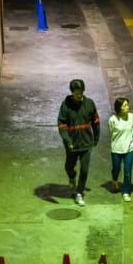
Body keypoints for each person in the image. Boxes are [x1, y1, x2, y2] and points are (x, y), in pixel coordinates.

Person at [57, 78, 100, 206]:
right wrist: (68, 140)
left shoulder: (89, 104)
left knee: (85, 170)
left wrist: (96, 138)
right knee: (69, 166)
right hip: (72, 144)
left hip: (86, 143)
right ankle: (71, 176)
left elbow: (96, 122)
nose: (78, 94)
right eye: (76, 92)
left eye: (80, 91)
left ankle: (79, 192)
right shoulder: (66, 105)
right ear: (72, 92)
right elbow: (62, 124)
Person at [107, 97, 133, 203]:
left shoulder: (132, 117)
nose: (127, 107)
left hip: (130, 148)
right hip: (116, 148)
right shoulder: (113, 119)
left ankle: (126, 191)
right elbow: (111, 131)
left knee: (127, 171)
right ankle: (115, 180)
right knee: (116, 168)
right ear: (119, 108)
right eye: (124, 105)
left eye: (127, 104)